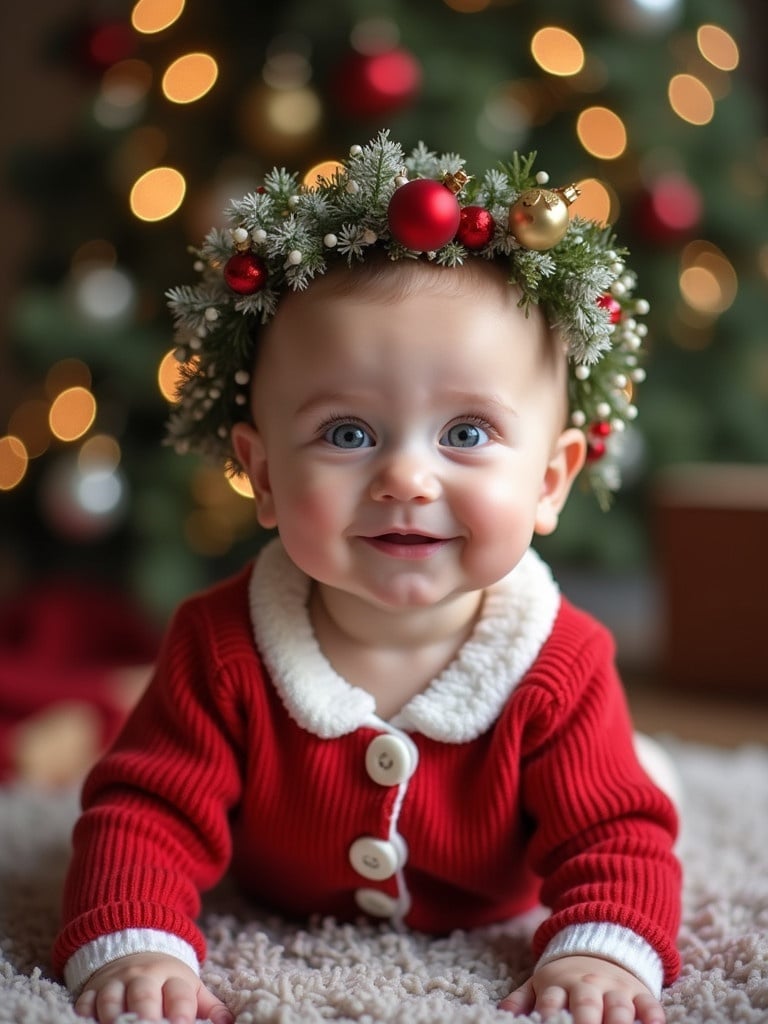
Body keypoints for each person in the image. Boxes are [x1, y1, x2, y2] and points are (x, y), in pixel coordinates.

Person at [53, 132, 681, 1024]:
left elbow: (618, 840)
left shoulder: (563, 661)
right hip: (274, 892)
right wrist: (138, 942)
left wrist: (602, 947)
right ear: (263, 475)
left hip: (490, 903)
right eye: (348, 434)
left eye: (467, 434)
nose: (407, 481)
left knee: (634, 792)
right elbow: (141, 812)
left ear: (550, 481)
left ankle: (653, 765)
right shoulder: (223, 645)